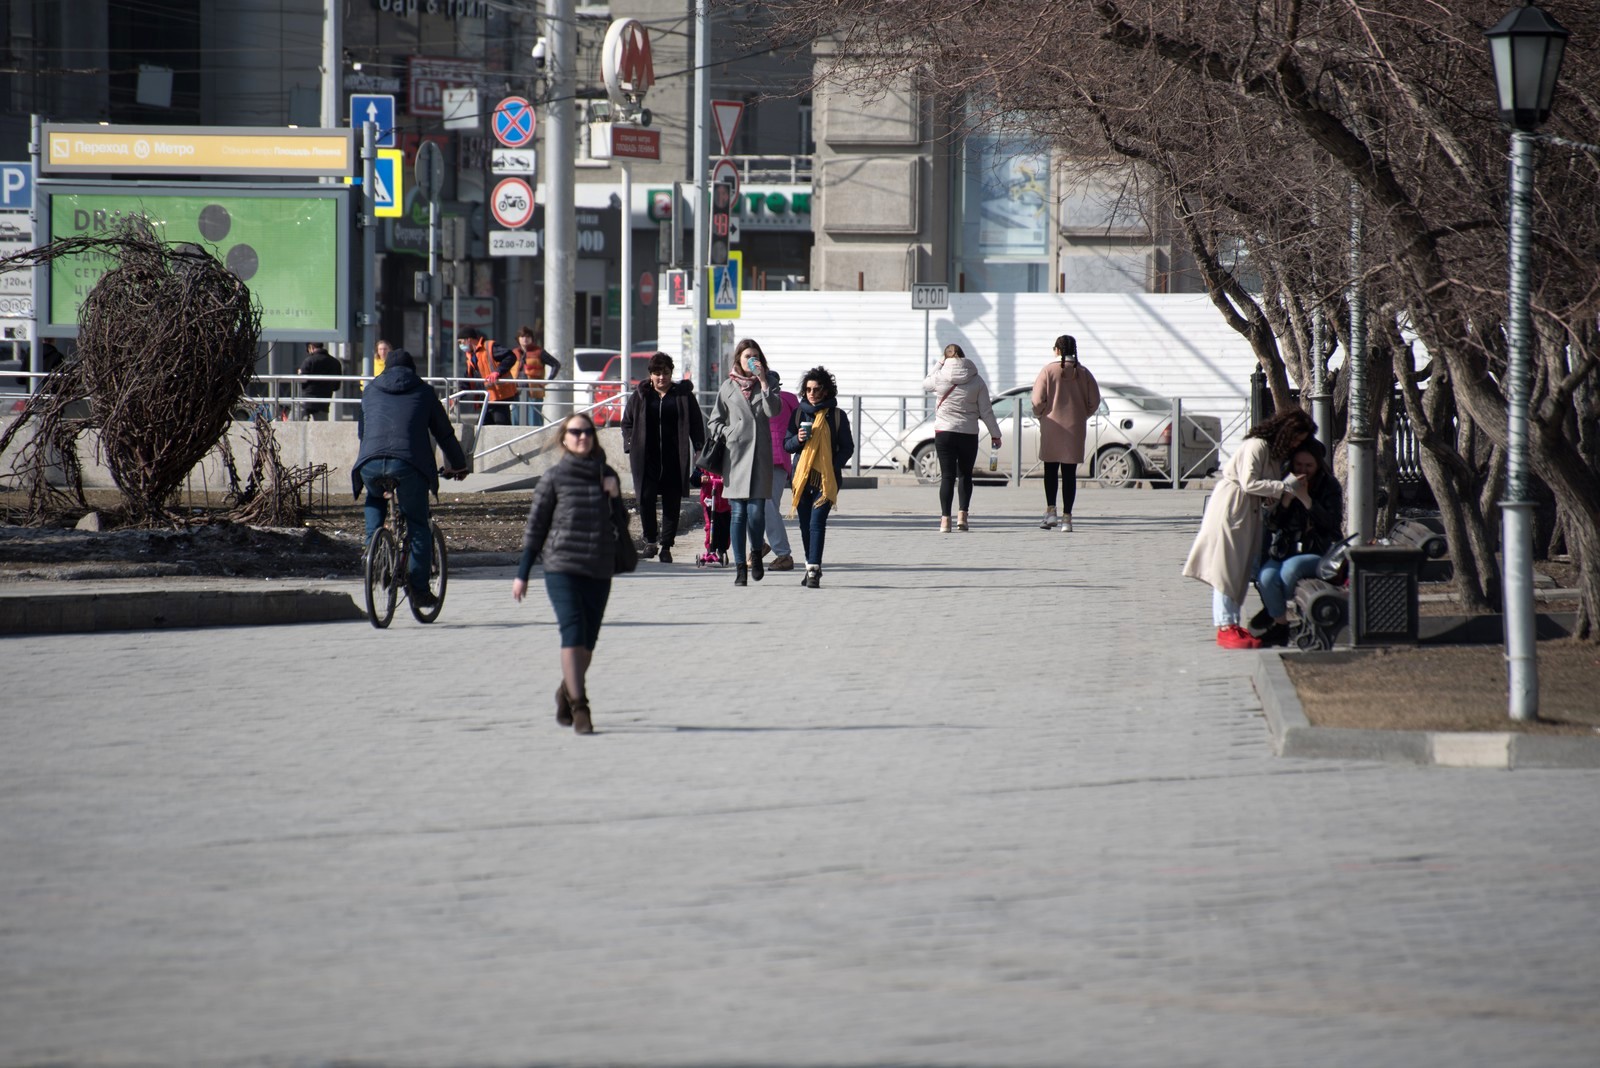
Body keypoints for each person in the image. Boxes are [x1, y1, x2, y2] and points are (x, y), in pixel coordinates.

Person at [511, 413, 625, 735]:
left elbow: (621, 525)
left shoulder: (607, 474)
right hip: (562, 567)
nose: (582, 437)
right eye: (575, 432)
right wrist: (523, 573)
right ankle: (581, 706)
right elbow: (536, 529)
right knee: (573, 633)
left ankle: (566, 689)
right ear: (564, 438)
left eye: (587, 432)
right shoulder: (553, 478)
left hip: (599, 567)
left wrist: (615, 497)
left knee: (587, 643)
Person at [1182, 407, 1317, 649]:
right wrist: (1284, 487)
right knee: (1227, 566)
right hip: (1233, 506)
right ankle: (1224, 624)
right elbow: (1249, 482)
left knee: (1239, 567)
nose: (1296, 444)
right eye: (1296, 438)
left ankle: (1231, 621)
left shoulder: (1272, 453)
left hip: (1248, 510)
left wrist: (1275, 493)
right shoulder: (1258, 446)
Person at [351, 349, 469, 608]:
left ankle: (373, 550)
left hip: (369, 463)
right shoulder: (424, 392)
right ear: (413, 370)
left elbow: (363, 432)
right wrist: (459, 465)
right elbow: (444, 434)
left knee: (374, 498)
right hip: (408, 464)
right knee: (417, 523)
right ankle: (419, 589)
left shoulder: (370, 391)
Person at [1253, 441, 1344, 645]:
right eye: (1298, 465)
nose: (1302, 470)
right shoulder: (1284, 482)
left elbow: (1331, 524)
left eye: (1308, 465)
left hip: (1318, 550)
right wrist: (1285, 500)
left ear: (1318, 465)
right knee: (1266, 577)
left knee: (1289, 571)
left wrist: (1306, 499)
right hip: (1286, 549)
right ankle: (1280, 625)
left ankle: (1273, 610)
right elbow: (1273, 524)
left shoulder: (1329, 485)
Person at [708, 337, 781, 586]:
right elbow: (714, 422)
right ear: (738, 360)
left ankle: (756, 555)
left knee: (756, 512)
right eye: (746, 356)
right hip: (736, 457)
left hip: (760, 457)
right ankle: (740, 568)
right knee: (738, 514)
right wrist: (729, 433)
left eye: (755, 356)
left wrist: (762, 380)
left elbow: (774, 411)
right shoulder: (727, 387)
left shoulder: (769, 382)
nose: (751, 360)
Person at [621, 351, 705, 564]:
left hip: (674, 456)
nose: (661, 377)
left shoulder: (683, 396)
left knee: (672, 502)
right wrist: (630, 444)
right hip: (645, 457)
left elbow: (696, 423)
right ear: (650, 374)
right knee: (646, 499)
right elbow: (627, 422)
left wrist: (698, 448)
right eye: (657, 373)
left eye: (666, 373)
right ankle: (650, 542)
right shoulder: (640, 395)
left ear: (671, 373)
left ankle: (666, 546)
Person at [783, 365, 854, 589]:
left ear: (826, 391)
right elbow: (787, 445)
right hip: (801, 479)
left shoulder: (836, 415)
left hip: (827, 480)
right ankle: (810, 565)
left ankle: (813, 570)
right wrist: (799, 440)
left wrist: (831, 466)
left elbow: (847, 447)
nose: (812, 393)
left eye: (816, 389)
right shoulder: (798, 414)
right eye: (808, 389)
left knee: (816, 523)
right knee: (805, 526)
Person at [922, 342, 1001, 532]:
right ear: (964, 357)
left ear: (945, 358)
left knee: (947, 476)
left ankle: (944, 521)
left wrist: (939, 363)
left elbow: (925, 383)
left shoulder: (940, 377)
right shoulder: (977, 380)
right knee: (965, 475)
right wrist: (995, 434)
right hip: (968, 433)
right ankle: (962, 517)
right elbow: (986, 411)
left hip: (944, 433)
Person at [1030, 333, 1101, 531]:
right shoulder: (1084, 373)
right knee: (1069, 473)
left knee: (1050, 470)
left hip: (1052, 426)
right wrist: (1081, 415)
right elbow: (1094, 401)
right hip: (1075, 429)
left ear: (1057, 350)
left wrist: (1041, 414)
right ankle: (1067, 519)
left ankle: (1051, 512)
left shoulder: (1047, 371)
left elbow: (1036, 401)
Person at [761, 367, 800, 572]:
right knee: (754, 507)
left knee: (767, 507)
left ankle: (782, 554)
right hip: (758, 460)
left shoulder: (785, 399)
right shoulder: (789, 398)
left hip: (776, 460)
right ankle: (760, 547)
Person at [458, 327, 516, 425]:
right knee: (483, 427)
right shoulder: (471, 357)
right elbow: (468, 380)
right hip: (487, 398)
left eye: (461, 342)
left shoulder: (489, 347)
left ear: (469, 339)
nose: (460, 345)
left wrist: (497, 372)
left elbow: (510, 357)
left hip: (499, 395)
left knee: (500, 425)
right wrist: (457, 396)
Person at [298, 341, 343, 421]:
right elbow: (336, 386)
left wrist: (299, 374)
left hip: (306, 399)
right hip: (324, 401)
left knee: (295, 421)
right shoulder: (335, 363)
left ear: (311, 347)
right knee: (321, 426)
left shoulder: (309, 361)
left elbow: (301, 381)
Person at [512, 325, 546, 427]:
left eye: (528, 337)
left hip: (534, 390)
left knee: (534, 418)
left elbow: (555, 365)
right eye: (522, 337)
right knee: (515, 417)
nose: (525, 339)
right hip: (516, 390)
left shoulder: (539, 352)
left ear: (532, 338)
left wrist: (548, 380)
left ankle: (537, 440)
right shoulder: (514, 353)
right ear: (518, 338)